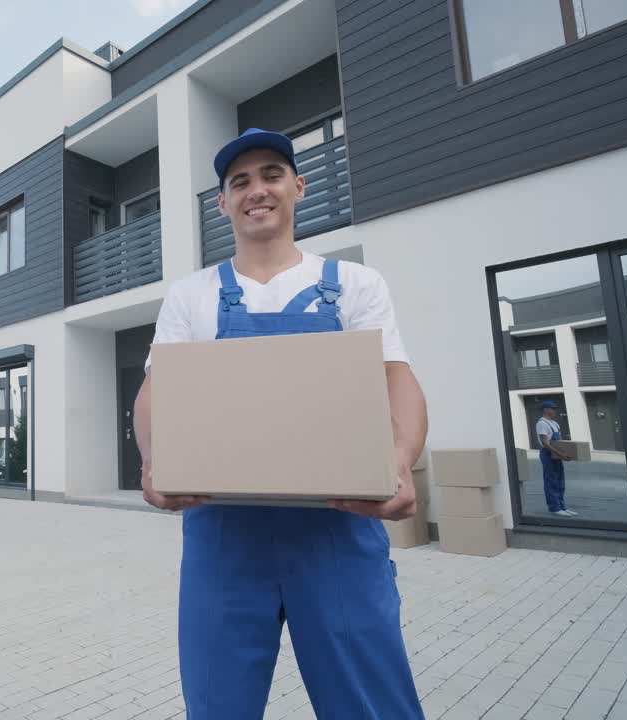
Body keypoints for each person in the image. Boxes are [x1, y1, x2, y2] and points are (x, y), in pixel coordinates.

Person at [132, 128, 428, 718]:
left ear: (298, 186)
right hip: (222, 535)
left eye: (270, 174)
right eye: (238, 182)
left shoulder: (353, 285)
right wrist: (153, 461)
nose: (256, 190)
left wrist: (400, 459)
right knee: (218, 705)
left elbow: (396, 377)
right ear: (222, 203)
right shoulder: (190, 296)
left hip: (340, 529)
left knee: (370, 705)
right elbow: (154, 391)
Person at [537, 400, 575, 517]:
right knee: (551, 481)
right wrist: (560, 454)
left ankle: (562, 506)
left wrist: (565, 453)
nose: (554, 410)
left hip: (556, 454)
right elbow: (545, 443)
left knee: (560, 482)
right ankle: (554, 508)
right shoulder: (542, 423)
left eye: (554, 408)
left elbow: (559, 442)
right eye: (552, 408)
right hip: (548, 454)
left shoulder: (555, 423)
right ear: (545, 410)